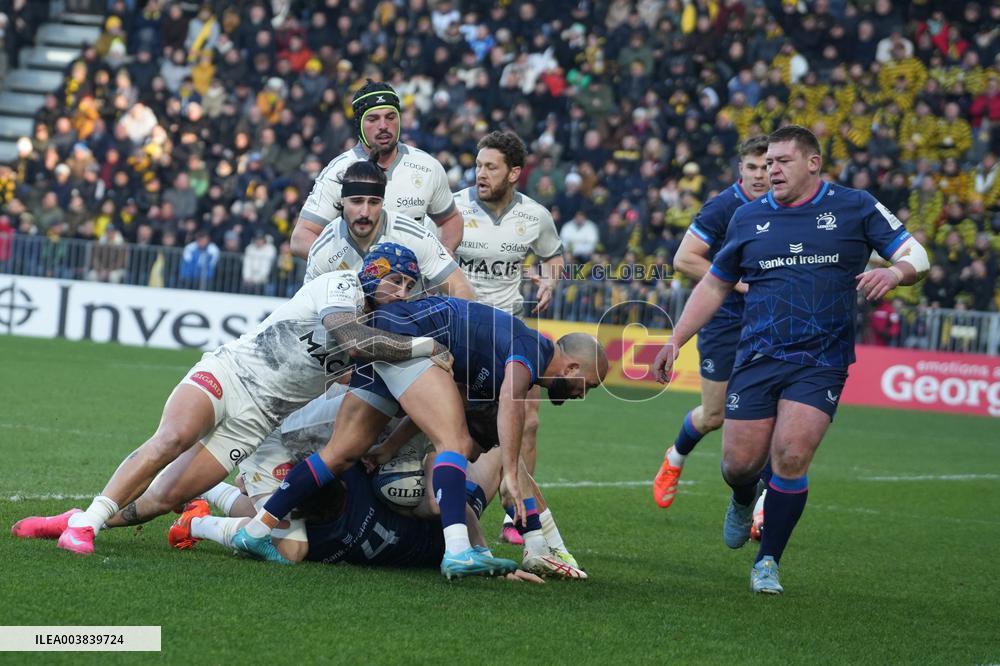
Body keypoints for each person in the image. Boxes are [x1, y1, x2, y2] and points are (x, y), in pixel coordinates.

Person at [11, 244, 449, 556]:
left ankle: (76, 519)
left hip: (257, 420)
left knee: (163, 499)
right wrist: (427, 347)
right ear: (373, 274)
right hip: (230, 373)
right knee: (172, 438)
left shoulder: (380, 327)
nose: (403, 293)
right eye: (396, 281)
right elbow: (350, 340)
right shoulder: (342, 286)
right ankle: (86, 527)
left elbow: (361, 370)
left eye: (410, 285)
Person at [651, 125, 929, 595]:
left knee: (792, 455)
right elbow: (715, 284)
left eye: (782, 161)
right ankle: (742, 499)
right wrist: (676, 339)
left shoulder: (854, 206)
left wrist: (897, 271)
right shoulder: (747, 217)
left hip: (821, 358)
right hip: (757, 354)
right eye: (768, 162)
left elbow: (915, 253)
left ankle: (768, 561)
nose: (772, 170)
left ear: (813, 163)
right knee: (739, 465)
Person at [234, 296, 607, 579]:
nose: (581, 394)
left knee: (341, 453)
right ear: (572, 366)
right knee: (456, 444)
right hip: (411, 337)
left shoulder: (497, 356)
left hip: (390, 336)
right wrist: (510, 470)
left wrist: (389, 448)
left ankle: (256, 529)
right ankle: (458, 551)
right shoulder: (533, 346)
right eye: (585, 385)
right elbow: (513, 403)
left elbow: (428, 401)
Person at [451, 129, 566, 546]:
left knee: (528, 423)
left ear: (514, 172)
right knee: (452, 423)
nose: (480, 173)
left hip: (509, 330)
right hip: (459, 330)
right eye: (478, 165)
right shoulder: (454, 209)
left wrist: (550, 281)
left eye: (490, 167)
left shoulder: (534, 215)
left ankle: (515, 513)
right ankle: (448, 501)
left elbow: (553, 255)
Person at [653, 136, 770, 510]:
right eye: (752, 167)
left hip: (768, 326)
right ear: (740, 169)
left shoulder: (784, 207)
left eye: (767, 167)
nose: (760, 175)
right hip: (722, 322)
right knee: (714, 415)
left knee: (771, 417)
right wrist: (737, 283)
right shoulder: (723, 207)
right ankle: (675, 456)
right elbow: (685, 259)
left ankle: (764, 507)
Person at [291, 80, 464, 258]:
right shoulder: (338, 172)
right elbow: (300, 238)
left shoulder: (427, 166)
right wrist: (348, 267)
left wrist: (443, 255)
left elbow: (450, 219)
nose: (383, 125)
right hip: (356, 284)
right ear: (359, 125)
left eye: (390, 117)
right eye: (373, 119)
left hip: (413, 284)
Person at [303, 155, 474, 301]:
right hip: (351, 332)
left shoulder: (412, 236)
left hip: (410, 330)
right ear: (342, 201)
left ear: (383, 203)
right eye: (356, 201)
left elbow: (462, 289)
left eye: (374, 202)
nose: (365, 212)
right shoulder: (324, 247)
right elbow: (307, 309)